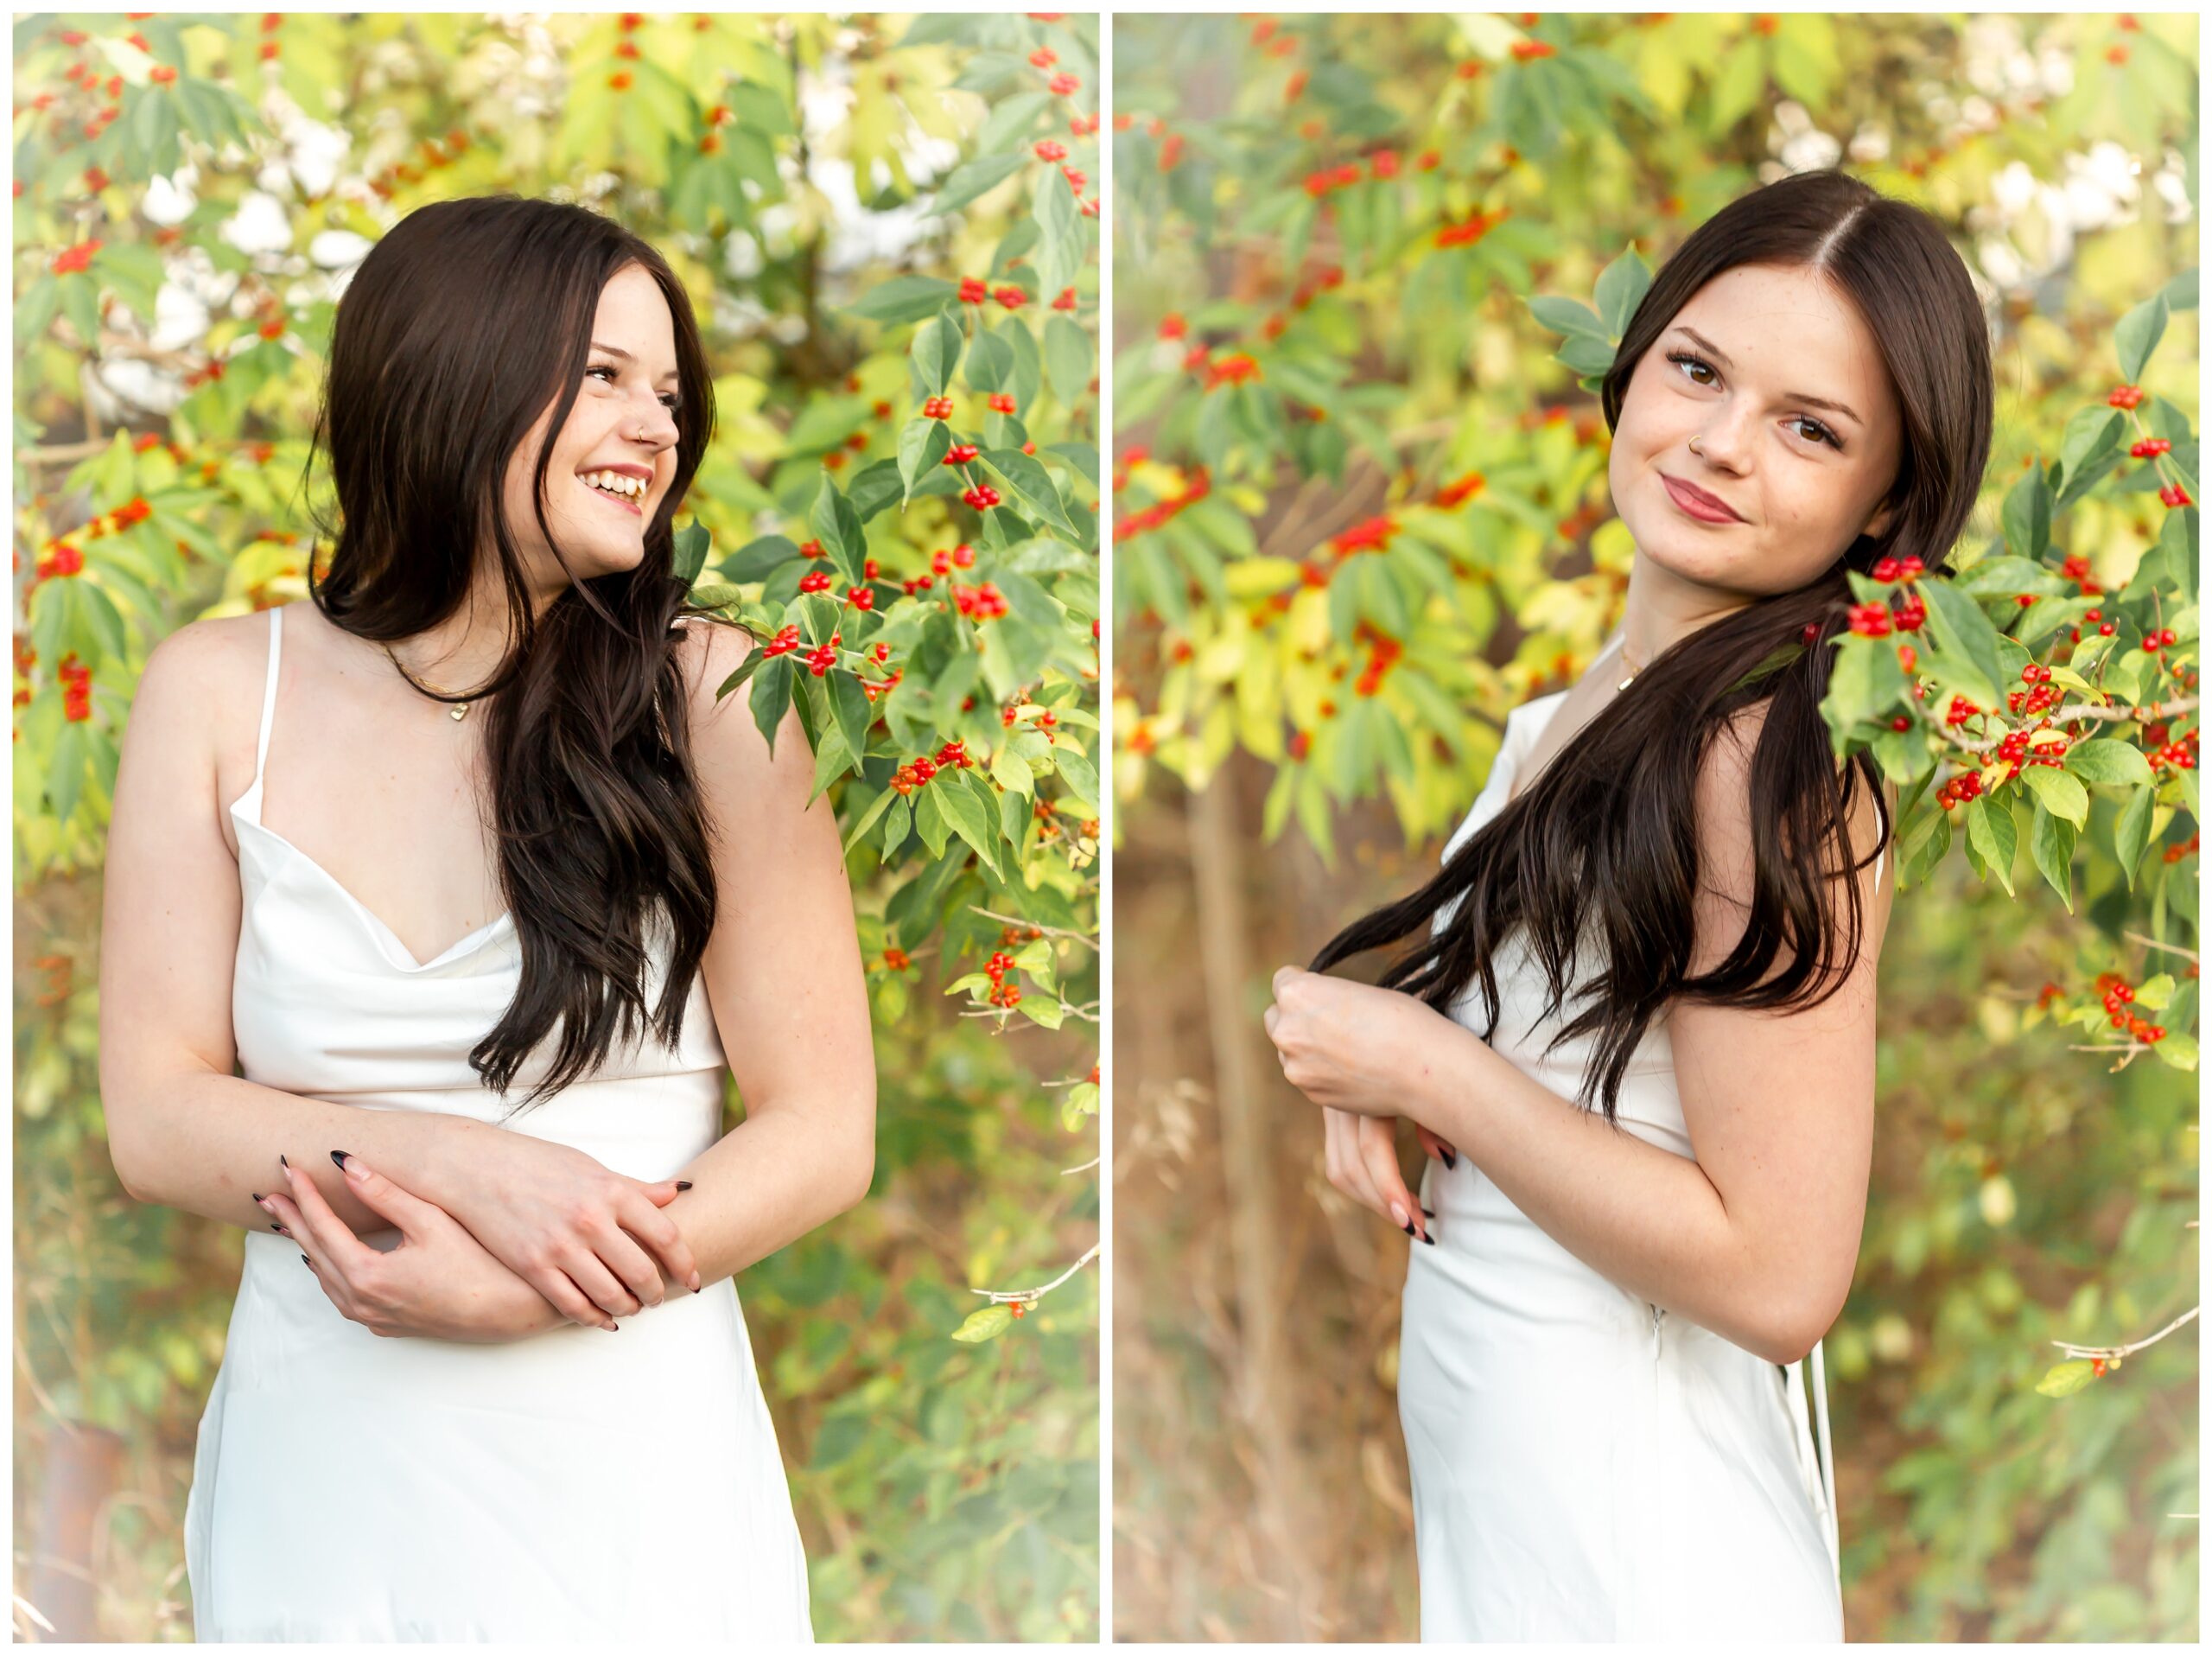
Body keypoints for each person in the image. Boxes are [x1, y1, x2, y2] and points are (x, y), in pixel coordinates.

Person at [97, 194, 876, 1641]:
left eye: (669, 391)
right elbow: (153, 1118)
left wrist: (547, 1292)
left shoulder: (714, 695)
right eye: (603, 377)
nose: (657, 425)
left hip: (637, 1456)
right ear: (455, 369)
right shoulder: (215, 693)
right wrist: (460, 1164)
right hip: (321, 1469)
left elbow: (826, 1126)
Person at [1262, 169, 1994, 1640]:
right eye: (1698, 369)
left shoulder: (1771, 765)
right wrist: (1411, 1034)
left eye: (1810, 428)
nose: (1720, 445)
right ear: (1637, 357)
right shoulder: (1592, 714)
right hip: (1532, 1507)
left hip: (1644, 1544)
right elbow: (1594, 1053)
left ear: (1888, 503)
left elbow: (1781, 1275)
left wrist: (1426, 1070)